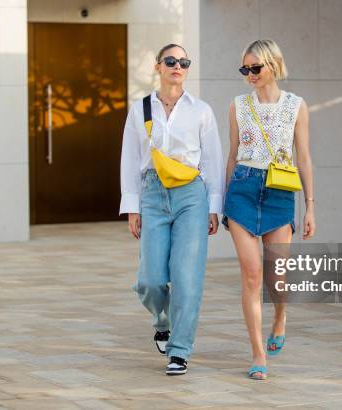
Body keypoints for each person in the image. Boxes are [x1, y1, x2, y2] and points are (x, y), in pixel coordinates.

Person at [119, 43, 224, 375]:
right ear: (158, 66)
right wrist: (132, 206)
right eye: (171, 60)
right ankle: (161, 319)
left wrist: (213, 207)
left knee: (186, 276)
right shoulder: (140, 110)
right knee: (150, 279)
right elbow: (130, 160)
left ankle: (179, 350)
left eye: (184, 62)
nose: (177, 66)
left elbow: (213, 161)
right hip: (152, 193)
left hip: (191, 195)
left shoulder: (201, 110)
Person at [222, 39, 316, 380]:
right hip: (242, 191)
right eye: (244, 69)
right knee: (250, 275)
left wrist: (310, 206)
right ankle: (258, 353)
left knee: (276, 277)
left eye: (255, 68)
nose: (249, 75)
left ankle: (279, 317)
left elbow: (303, 157)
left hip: (279, 193)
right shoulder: (237, 105)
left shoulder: (296, 106)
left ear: (273, 65)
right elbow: (232, 155)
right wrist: (223, 203)